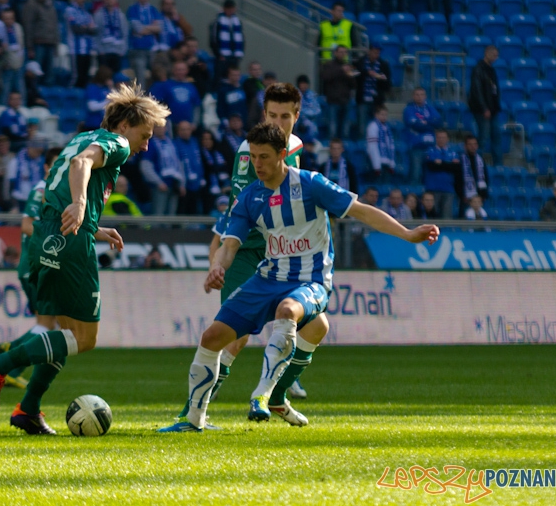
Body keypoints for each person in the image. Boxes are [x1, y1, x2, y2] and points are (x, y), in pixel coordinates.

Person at [158, 122, 440, 432]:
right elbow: (230, 244)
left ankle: (262, 395)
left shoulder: (311, 184)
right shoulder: (250, 197)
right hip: (269, 277)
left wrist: (407, 233)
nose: (257, 165)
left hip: (311, 279)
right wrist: (218, 267)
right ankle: (193, 420)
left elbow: (360, 211)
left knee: (288, 311)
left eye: (264, 157)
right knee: (212, 337)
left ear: (283, 155)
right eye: (253, 157)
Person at [0, 83, 170, 435]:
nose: (145, 145)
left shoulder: (81, 137)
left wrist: (93, 225)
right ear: (125, 125)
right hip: (70, 243)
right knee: (85, 338)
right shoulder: (117, 143)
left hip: (49, 236)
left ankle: (27, 409)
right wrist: (80, 206)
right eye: (145, 135)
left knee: (63, 334)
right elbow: (82, 165)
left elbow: (63, 183)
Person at [175, 84, 307, 426]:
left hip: (282, 250)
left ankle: (275, 390)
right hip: (248, 249)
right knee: (233, 332)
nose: (278, 123)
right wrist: (218, 258)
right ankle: (194, 410)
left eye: (285, 116)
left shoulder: (295, 146)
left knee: (312, 322)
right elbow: (242, 207)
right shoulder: (250, 151)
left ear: (296, 116)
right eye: (272, 115)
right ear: (264, 114)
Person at [0, 146, 61, 389]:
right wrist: (56, 242)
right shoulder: (41, 190)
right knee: (47, 324)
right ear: (46, 168)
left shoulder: (54, 193)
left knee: (47, 322)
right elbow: (26, 226)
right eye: (55, 165)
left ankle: (10, 352)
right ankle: (12, 367)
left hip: (41, 266)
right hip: (35, 266)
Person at [140, 123, 184, 216]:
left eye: (162, 127)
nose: (160, 129)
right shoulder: (151, 144)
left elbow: (179, 164)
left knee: (171, 214)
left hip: (174, 184)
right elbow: (145, 166)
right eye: (157, 127)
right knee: (158, 213)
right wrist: (158, 182)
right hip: (159, 186)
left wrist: (182, 183)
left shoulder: (172, 143)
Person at [22, 0, 60, 87]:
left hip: (50, 43)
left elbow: (55, 25)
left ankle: (48, 94)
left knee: (49, 74)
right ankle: (34, 93)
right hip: (37, 44)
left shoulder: (51, 5)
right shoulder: (31, 5)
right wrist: (29, 47)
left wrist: (56, 44)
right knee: (35, 74)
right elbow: (28, 27)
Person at [469, 45, 502, 165]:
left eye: (496, 55)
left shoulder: (491, 70)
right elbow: (477, 91)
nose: (495, 58)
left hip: (493, 110)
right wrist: (484, 108)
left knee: (496, 137)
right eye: (494, 55)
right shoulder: (478, 69)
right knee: (483, 138)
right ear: (487, 53)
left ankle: (498, 166)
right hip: (482, 110)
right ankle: (477, 164)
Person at [126, 0, 162, 88]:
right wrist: (151, 27)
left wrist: (145, 27)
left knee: (158, 74)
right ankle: (141, 96)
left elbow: (159, 28)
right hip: (137, 49)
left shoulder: (153, 10)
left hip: (152, 48)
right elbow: (139, 30)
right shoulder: (132, 9)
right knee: (140, 78)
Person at [404, 87, 442, 184]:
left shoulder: (429, 108)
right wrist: (429, 124)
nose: (419, 97)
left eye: (421, 95)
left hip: (430, 147)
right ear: (413, 96)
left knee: (429, 175)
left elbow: (439, 122)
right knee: (415, 174)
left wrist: (425, 122)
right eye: (417, 95)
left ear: (425, 96)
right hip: (416, 147)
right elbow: (415, 125)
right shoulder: (409, 109)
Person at [321, 45, 357, 140]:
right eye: (340, 52)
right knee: (332, 128)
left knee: (345, 129)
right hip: (333, 101)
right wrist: (341, 70)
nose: (342, 54)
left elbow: (353, 85)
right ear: (335, 53)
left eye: (344, 52)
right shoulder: (329, 65)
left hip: (346, 100)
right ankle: (331, 146)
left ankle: (344, 147)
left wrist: (350, 75)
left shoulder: (348, 66)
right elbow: (326, 77)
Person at [355, 44, 391, 138]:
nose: (376, 55)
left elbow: (388, 84)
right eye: (375, 52)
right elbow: (355, 78)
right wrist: (366, 73)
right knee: (362, 127)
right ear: (369, 51)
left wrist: (382, 79)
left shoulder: (383, 65)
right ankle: (362, 144)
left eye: (378, 53)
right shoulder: (360, 62)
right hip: (363, 100)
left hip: (377, 101)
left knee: (376, 127)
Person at [64, 0, 97, 89]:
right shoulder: (70, 10)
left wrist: (84, 27)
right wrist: (87, 28)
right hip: (75, 49)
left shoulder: (87, 13)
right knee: (76, 77)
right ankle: (71, 95)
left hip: (87, 49)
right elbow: (76, 29)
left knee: (85, 77)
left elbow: (94, 30)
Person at [151, 61, 201, 126]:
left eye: (182, 70)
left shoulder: (191, 87)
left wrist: (195, 123)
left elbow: (196, 106)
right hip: (170, 123)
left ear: (187, 71)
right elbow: (158, 103)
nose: (180, 72)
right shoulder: (165, 85)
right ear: (173, 71)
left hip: (187, 124)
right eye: (178, 70)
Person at [424, 130, 460, 219]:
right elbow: (432, 166)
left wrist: (441, 163)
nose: (441, 139)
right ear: (436, 139)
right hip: (433, 188)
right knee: (433, 215)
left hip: (448, 188)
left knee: (447, 215)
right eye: (439, 137)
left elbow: (456, 168)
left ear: (447, 139)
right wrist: (448, 164)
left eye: (443, 137)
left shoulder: (453, 152)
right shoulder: (430, 151)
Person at [173, 120, 205, 215]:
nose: (185, 132)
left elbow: (199, 162)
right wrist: (181, 184)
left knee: (195, 211)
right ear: (178, 131)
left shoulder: (195, 142)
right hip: (183, 186)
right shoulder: (174, 144)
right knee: (182, 211)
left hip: (196, 184)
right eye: (182, 129)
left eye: (187, 129)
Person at [7, 135, 46, 210]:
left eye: (40, 152)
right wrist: (12, 205)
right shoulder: (16, 161)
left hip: (37, 199)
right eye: (37, 151)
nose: (38, 154)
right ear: (30, 148)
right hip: (19, 199)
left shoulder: (42, 162)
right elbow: (10, 184)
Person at [94, 0, 128, 73]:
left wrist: (122, 50)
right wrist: (99, 50)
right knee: (104, 76)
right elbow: (96, 34)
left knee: (116, 76)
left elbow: (125, 33)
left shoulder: (121, 15)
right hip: (103, 52)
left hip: (117, 52)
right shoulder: (98, 15)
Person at [0, 8, 26, 106]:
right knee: (5, 91)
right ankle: (2, 109)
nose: (8, 21)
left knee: (21, 91)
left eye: (10, 18)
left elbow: (21, 46)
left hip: (18, 65)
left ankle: (22, 110)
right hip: (6, 66)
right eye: (6, 18)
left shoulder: (18, 28)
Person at [210, 0, 245, 76]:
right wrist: (218, 55)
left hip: (235, 56)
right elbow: (213, 39)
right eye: (229, 8)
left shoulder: (237, 22)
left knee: (233, 77)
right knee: (220, 76)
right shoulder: (218, 21)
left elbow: (242, 39)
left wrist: (239, 55)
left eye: (232, 8)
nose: (231, 10)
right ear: (224, 9)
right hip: (222, 56)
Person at [459, 135, 489, 217]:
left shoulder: (480, 160)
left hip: (479, 198)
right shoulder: (461, 160)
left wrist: (483, 195)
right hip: (465, 198)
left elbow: (485, 178)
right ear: (465, 146)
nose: (473, 146)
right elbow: (458, 180)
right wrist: (462, 196)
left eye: (474, 144)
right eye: (470, 144)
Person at [365, 105, 396, 182]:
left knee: (386, 184)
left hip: (386, 162)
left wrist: (391, 163)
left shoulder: (387, 128)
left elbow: (390, 146)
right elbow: (372, 146)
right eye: (382, 114)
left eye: (385, 115)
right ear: (376, 115)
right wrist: (376, 166)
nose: (384, 117)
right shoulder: (373, 126)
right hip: (376, 162)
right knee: (376, 183)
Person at [294, 74, 321, 144]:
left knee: (312, 126)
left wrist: (307, 113)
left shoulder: (312, 95)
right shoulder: (294, 95)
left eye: (305, 84)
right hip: (298, 121)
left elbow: (317, 110)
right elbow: (296, 110)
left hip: (312, 120)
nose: (304, 86)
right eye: (302, 84)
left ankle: (310, 144)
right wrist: (307, 113)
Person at [85, 67, 114, 131]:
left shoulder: (106, 88)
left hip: (105, 125)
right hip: (94, 124)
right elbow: (92, 107)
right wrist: (107, 102)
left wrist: (111, 87)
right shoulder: (92, 88)